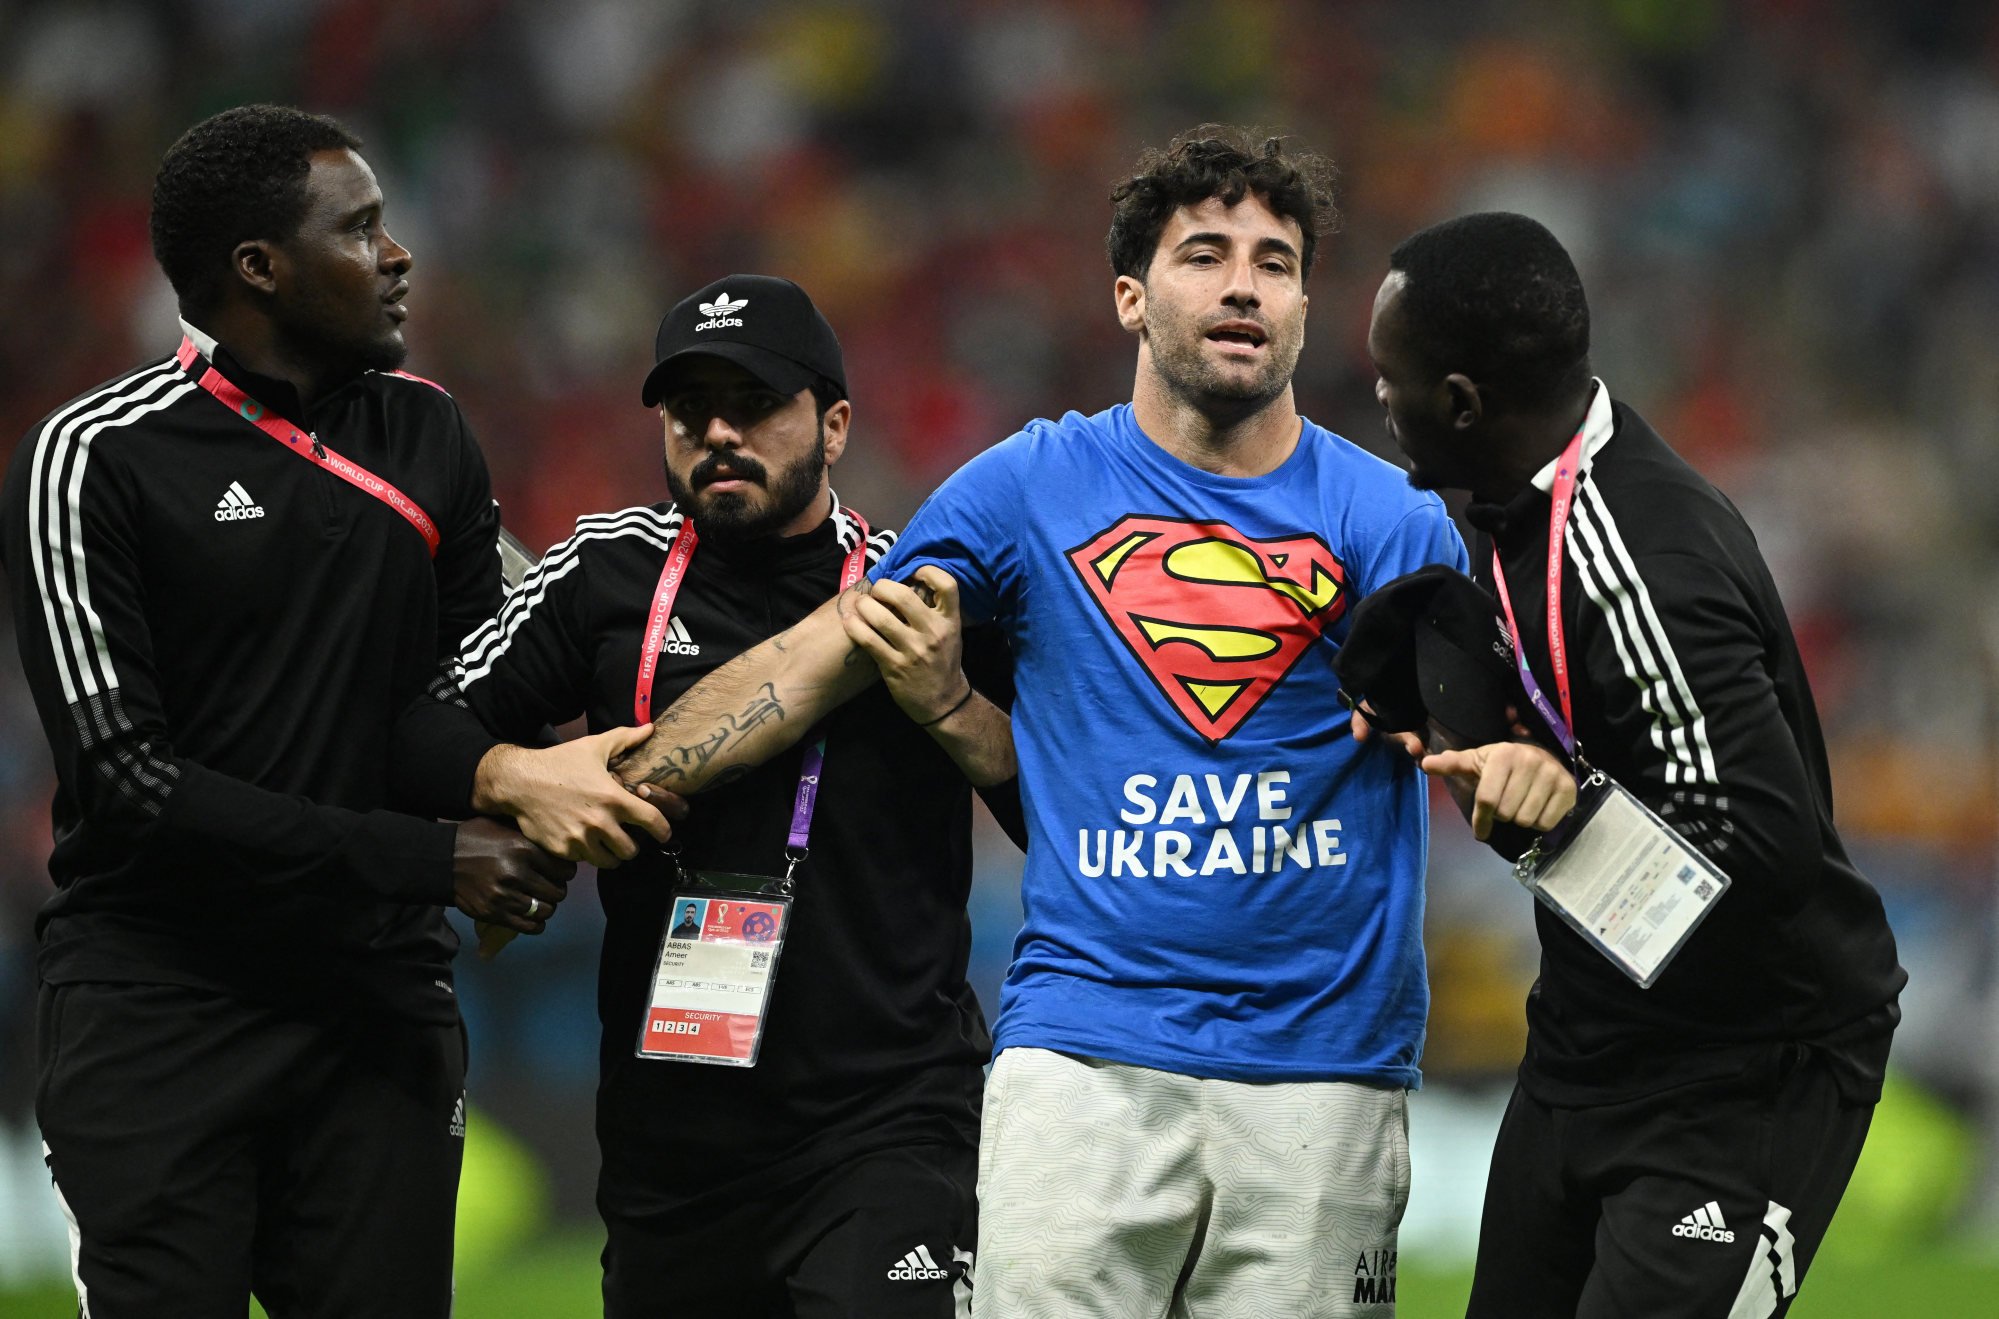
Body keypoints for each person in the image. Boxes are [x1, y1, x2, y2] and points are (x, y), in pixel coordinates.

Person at [615, 128, 1467, 1318]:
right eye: (1203, 255)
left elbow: (1485, 744)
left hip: (1322, 1071)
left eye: (1274, 263)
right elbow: (830, 651)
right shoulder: (1027, 487)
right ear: (1129, 295)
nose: (1241, 284)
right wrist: (632, 777)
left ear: (1305, 306)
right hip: (1082, 1053)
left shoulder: (1393, 521)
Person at [0, 105, 669, 1318]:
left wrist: (529, 784)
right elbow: (124, 781)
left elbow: (476, 691)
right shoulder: (92, 457)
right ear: (259, 267)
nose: (399, 253)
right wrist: (435, 856)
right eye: (360, 229)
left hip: (376, 1008)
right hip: (163, 1006)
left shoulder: (428, 432)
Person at [1361, 211, 1904, 1318]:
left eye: (1392, 377)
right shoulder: (1510, 513)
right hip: (1589, 1034)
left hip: (1749, 1065)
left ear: (1462, 403)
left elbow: (1768, 855)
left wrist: (1556, 821)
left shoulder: (1642, 563)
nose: (1379, 397)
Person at [452, 273, 1023, 1319]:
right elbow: (424, 735)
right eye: (688, 410)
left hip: (888, 1121)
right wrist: (516, 774)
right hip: (672, 1142)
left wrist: (950, 706)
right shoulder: (600, 573)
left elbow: (1052, 814)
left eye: (754, 403)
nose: (718, 431)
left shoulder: (923, 594)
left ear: (835, 423)